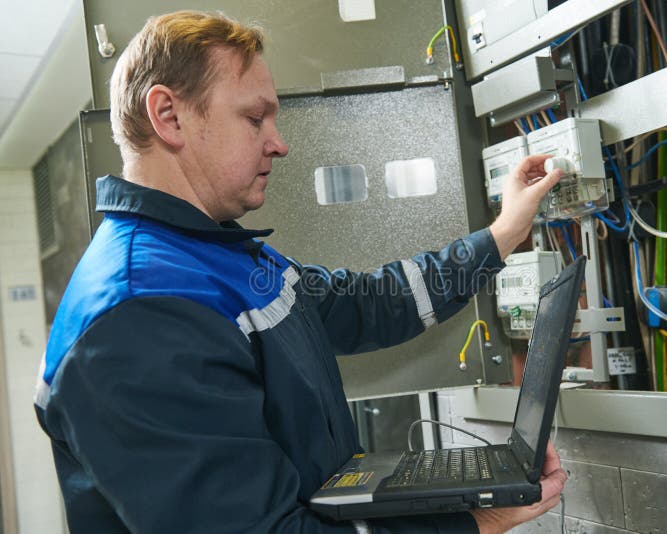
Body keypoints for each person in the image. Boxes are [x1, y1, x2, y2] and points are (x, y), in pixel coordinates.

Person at [34, 10, 566, 533]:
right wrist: (473, 525)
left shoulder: (217, 253)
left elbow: (369, 302)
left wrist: (504, 233)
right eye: (254, 118)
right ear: (169, 116)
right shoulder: (141, 313)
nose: (279, 142)